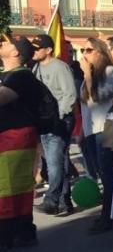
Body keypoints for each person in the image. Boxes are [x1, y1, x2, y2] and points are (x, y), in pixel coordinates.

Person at [0, 34, 41, 252]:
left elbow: (2, 97)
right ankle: (23, 231)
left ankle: (5, 236)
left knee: (6, 186)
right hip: (13, 135)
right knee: (16, 186)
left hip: (14, 135)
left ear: (15, 52)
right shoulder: (10, 75)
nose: (1, 43)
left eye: (6, 42)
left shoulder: (21, 76)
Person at [30, 34, 77, 217]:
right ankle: (65, 201)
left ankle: (52, 200)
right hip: (45, 121)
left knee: (54, 161)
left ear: (48, 50)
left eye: (38, 48)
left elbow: (70, 94)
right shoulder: (35, 68)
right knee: (60, 160)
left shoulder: (59, 67)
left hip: (59, 120)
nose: (34, 51)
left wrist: (60, 115)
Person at [80, 38, 113, 234]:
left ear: (99, 52)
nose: (84, 54)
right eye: (83, 50)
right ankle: (109, 213)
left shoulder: (109, 72)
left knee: (107, 172)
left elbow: (96, 100)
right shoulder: (88, 76)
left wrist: (88, 75)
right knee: (99, 169)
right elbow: (83, 105)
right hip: (90, 128)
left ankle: (109, 216)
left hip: (106, 127)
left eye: (88, 50)